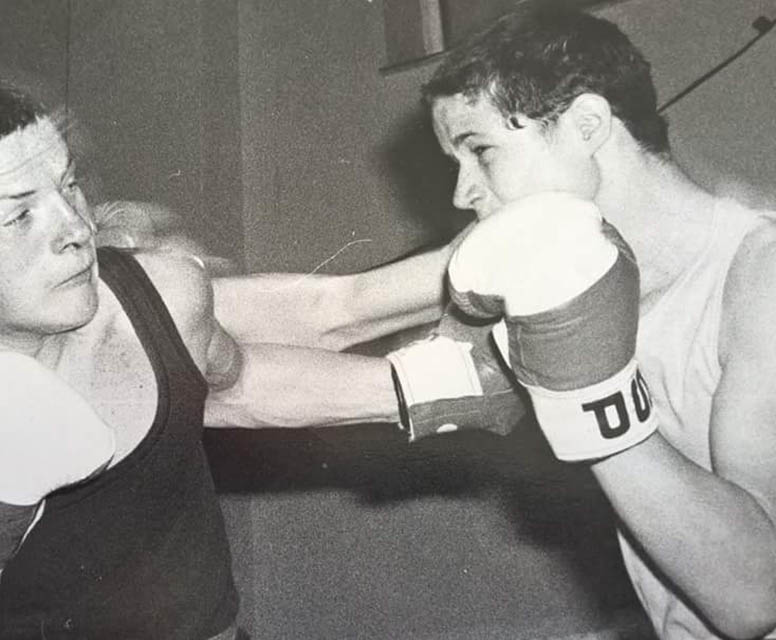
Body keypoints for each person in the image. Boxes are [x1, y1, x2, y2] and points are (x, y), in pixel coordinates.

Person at [0, 77, 524, 639]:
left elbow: (237, 379)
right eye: (18, 214)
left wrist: (506, 275)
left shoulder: (156, 293)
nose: (75, 228)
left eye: (68, 186)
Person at [327, 4, 775, 638]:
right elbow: (338, 312)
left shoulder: (761, 276)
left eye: (480, 150)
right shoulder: (549, 267)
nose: (461, 193)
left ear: (588, 123)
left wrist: (593, 397)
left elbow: (757, 595)